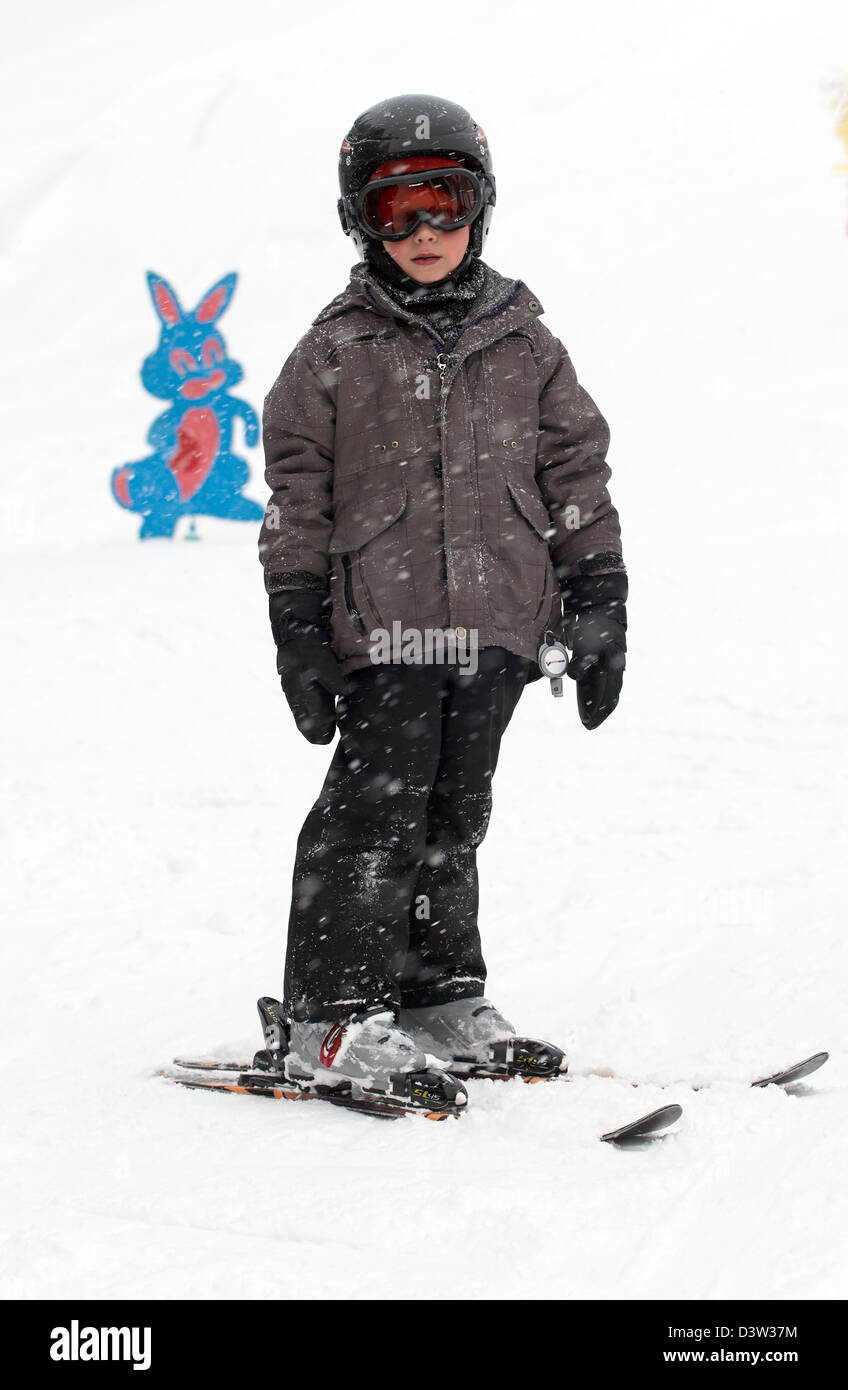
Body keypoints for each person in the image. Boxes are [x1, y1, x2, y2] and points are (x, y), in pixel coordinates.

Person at [256, 94, 627, 1113]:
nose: (424, 233)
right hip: (384, 628)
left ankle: (432, 997)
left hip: (498, 626)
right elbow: (295, 493)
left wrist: (598, 598)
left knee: (452, 814)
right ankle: (330, 1012)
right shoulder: (335, 349)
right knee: (372, 814)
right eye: (396, 212)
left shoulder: (527, 343)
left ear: (482, 206)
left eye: (445, 204)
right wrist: (296, 622)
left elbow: (577, 476)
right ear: (358, 221)